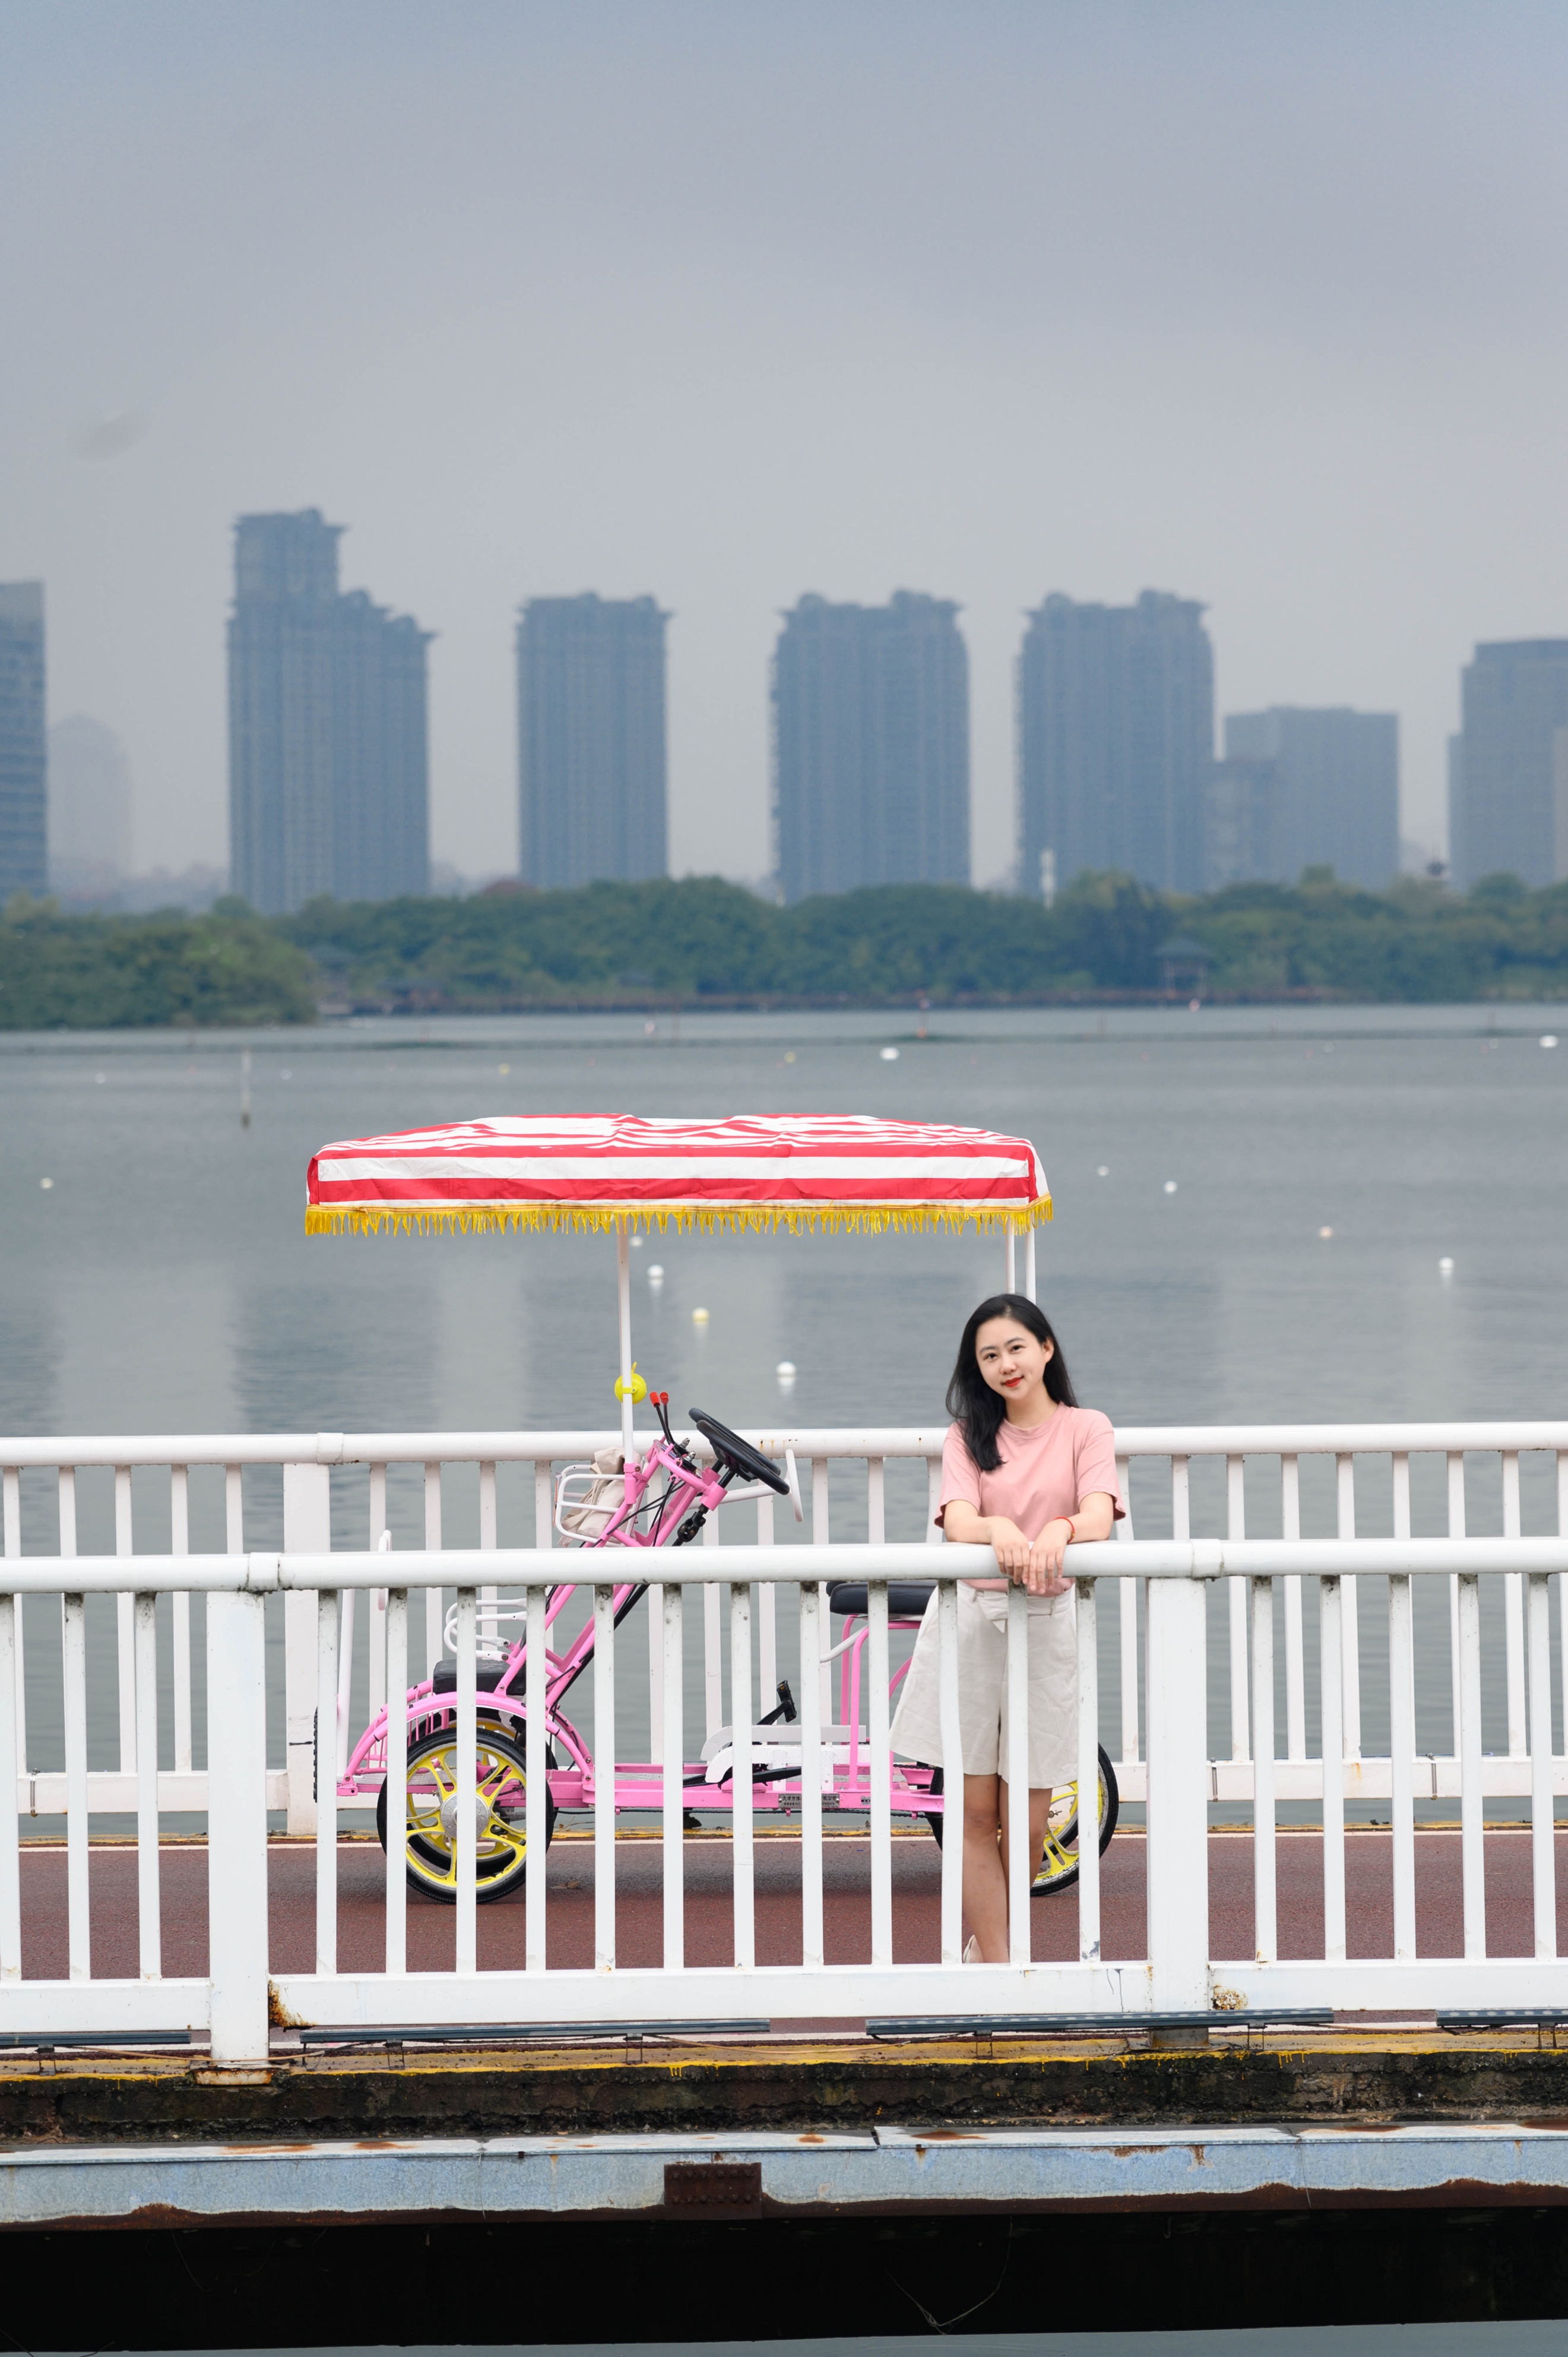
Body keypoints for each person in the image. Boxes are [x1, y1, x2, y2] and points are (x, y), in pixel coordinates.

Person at [889, 1293, 1123, 1961]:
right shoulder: (967, 1435)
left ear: (1047, 1348)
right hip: (971, 1623)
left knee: (1025, 1824)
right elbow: (959, 1519)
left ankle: (989, 1951)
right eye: (988, 1355)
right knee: (972, 1815)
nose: (1004, 1365)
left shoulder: (1087, 1428)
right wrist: (995, 1528)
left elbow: (1099, 1515)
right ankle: (997, 1966)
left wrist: (1058, 1528)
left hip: (1045, 1625)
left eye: (1016, 1348)